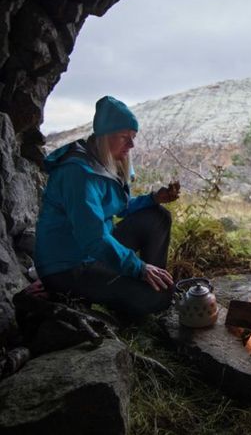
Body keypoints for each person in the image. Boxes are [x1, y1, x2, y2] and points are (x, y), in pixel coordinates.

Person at [35, 96, 180, 317]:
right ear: (104, 136)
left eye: (133, 137)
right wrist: (139, 268)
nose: (131, 145)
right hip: (68, 267)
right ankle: (134, 295)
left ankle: (153, 280)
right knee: (161, 297)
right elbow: (93, 238)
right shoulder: (78, 173)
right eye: (124, 137)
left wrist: (153, 198)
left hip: (91, 253)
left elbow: (118, 209)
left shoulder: (103, 161)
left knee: (157, 216)